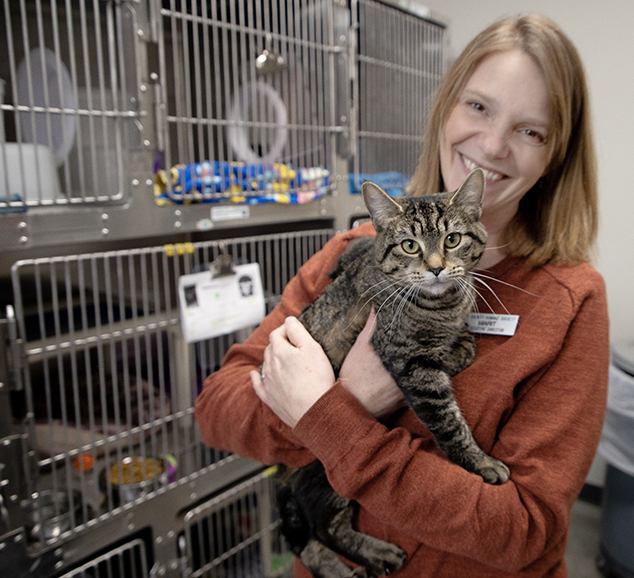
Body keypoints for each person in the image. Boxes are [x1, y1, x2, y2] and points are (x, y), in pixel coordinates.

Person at [195, 14, 609, 578]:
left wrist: (335, 422)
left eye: (529, 130)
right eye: (479, 107)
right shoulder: (355, 250)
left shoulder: (569, 299)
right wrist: (350, 401)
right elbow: (216, 408)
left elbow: (526, 532)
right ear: (444, 110)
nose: (491, 145)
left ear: (555, 153)